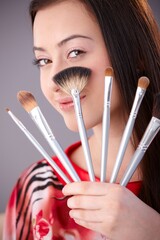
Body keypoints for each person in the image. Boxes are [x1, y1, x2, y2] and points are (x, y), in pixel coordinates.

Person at [3, 0, 160, 239]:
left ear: (135, 51)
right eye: (44, 60)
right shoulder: (37, 190)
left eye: (75, 52)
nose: (55, 81)